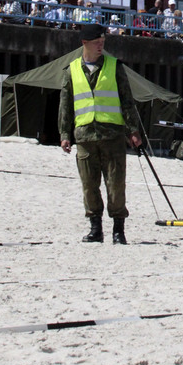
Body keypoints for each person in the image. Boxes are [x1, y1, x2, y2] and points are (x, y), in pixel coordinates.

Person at [59, 23, 142, 244]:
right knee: (89, 185)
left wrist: (133, 130)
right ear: (84, 43)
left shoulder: (115, 67)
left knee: (116, 184)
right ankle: (95, 229)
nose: (100, 47)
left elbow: (127, 101)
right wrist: (64, 133)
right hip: (85, 136)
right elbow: (66, 105)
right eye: (97, 43)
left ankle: (118, 230)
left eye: (103, 43)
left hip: (112, 135)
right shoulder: (72, 70)